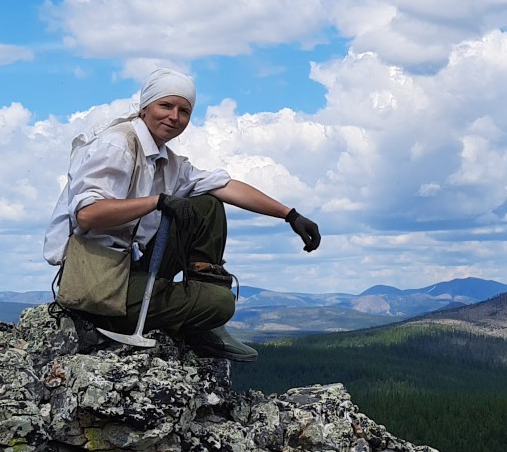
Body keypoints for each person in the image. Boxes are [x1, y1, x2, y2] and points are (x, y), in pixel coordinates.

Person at [43, 65, 321, 360]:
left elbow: (224, 185)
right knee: (220, 304)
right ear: (145, 107)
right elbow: (88, 214)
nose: (174, 117)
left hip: (131, 265)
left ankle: (204, 327)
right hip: (97, 279)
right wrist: (156, 201)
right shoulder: (118, 144)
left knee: (207, 204)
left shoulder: (168, 162)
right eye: (166, 105)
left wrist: (290, 215)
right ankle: (190, 319)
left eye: (184, 111)